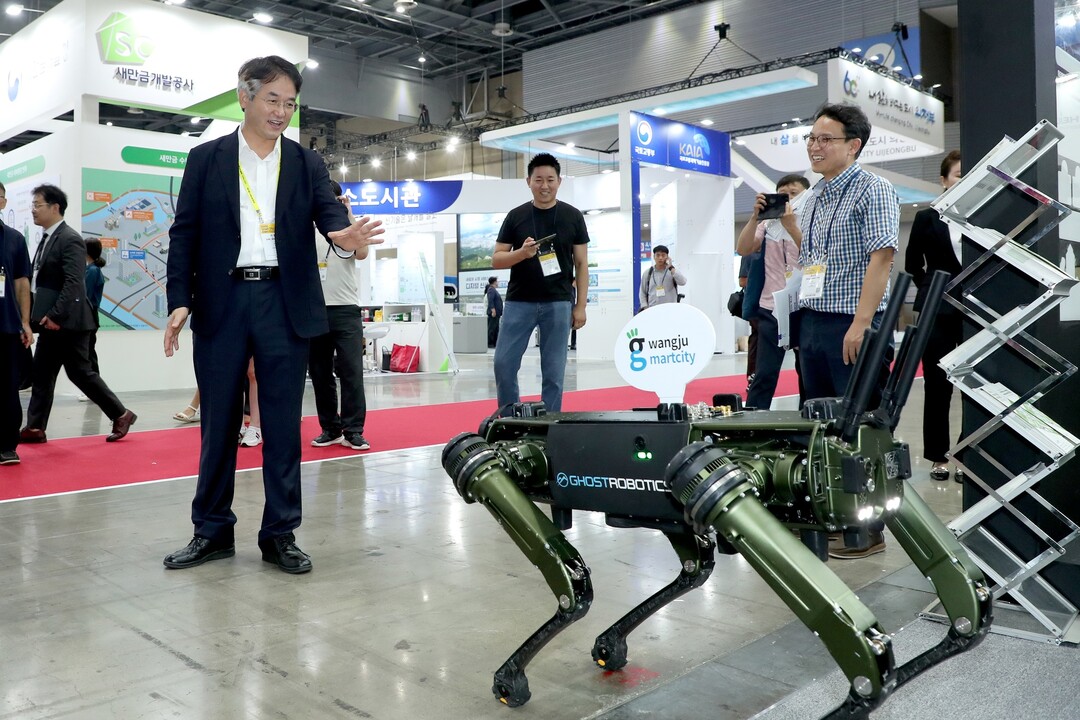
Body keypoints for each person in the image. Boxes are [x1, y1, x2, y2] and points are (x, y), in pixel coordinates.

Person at [162, 56, 384, 575]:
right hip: (222, 301)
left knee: (282, 424)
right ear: (245, 97)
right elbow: (184, 233)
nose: (281, 111)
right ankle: (211, 530)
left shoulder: (306, 163)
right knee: (218, 422)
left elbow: (331, 218)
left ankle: (280, 533)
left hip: (285, 302)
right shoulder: (206, 159)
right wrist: (179, 300)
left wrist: (345, 238)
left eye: (290, 103)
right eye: (272, 99)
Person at [796, 103, 900, 559]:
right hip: (813, 322)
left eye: (826, 139)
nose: (815, 146)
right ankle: (833, 516)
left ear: (853, 145)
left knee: (859, 427)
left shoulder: (873, 189)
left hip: (852, 323)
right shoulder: (814, 196)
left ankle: (867, 530)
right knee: (820, 426)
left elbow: (883, 257)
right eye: (812, 138)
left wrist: (861, 323)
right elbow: (812, 259)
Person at [21, 184, 136, 445]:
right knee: (42, 373)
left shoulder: (69, 238)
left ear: (55, 207)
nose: (33, 210)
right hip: (51, 321)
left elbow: (75, 283)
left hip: (69, 323)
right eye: (32, 205)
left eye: (38, 205)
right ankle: (35, 427)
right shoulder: (48, 238)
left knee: (80, 373)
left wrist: (55, 315)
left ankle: (121, 414)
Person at [492, 152, 589, 414]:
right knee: (503, 364)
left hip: (558, 302)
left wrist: (580, 306)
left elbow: (581, 263)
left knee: (554, 372)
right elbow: (497, 259)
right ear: (528, 182)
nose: (544, 186)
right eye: (538, 180)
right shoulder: (516, 216)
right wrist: (521, 254)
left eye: (550, 179)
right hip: (519, 302)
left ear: (559, 181)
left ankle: (548, 424)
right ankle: (510, 418)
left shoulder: (573, 216)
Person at [904, 150, 964, 483]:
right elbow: (913, 264)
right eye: (958, 174)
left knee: (975, 386)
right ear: (943, 180)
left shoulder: (984, 215)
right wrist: (931, 289)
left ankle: (966, 455)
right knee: (937, 385)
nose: (963, 179)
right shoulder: (927, 218)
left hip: (976, 311)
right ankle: (938, 456)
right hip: (936, 310)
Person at [737, 175, 809, 409]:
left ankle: (810, 420)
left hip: (805, 307)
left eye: (793, 193)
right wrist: (755, 217)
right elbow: (743, 248)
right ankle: (754, 421)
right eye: (781, 194)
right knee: (764, 373)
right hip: (771, 308)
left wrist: (791, 226)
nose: (787, 199)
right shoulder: (767, 224)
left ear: (806, 196)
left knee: (808, 372)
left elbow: (815, 255)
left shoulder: (812, 220)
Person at [308, 180, 370, 451]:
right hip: (314, 309)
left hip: (346, 308)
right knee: (320, 374)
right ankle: (330, 428)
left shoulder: (349, 228)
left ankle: (353, 430)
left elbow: (362, 253)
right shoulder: (307, 227)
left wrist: (349, 213)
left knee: (352, 372)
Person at [0, 181, 33, 465]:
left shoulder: (14, 239)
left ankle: (7, 445)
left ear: (3, 202)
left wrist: (25, 321)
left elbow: (22, 282)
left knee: (7, 387)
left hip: (6, 326)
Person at [638, 244, 686, 309]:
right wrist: (645, 307)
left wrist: (671, 267)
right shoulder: (647, 273)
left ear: (667, 257)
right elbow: (642, 292)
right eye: (658, 255)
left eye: (663, 255)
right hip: (653, 309)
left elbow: (683, 282)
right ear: (654, 257)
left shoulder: (672, 271)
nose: (660, 258)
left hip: (670, 308)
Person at [84, 239, 106, 375]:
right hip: (90, 315)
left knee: (88, 353)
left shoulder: (92, 271)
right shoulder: (92, 269)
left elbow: (85, 295)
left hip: (89, 315)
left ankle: (94, 383)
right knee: (88, 352)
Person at [485, 275, 503, 348]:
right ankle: (490, 343)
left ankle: (495, 343)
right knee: (491, 329)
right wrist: (493, 310)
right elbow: (491, 300)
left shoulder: (494, 290)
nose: (498, 283)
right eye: (497, 281)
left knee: (496, 329)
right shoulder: (491, 290)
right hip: (493, 313)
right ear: (494, 282)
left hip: (497, 314)